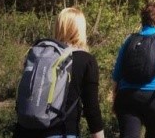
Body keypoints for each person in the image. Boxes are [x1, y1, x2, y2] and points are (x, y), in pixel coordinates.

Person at [14, 7, 105, 138]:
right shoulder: (86, 60)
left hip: (24, 131)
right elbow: (92, 109)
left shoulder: (40, 54)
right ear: (81, 30)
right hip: (61, 132)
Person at [113, 2, 155, 138]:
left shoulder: (129, 40)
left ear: (142, 20)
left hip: (128, 97)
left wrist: (115, 101)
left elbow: (116, 75)